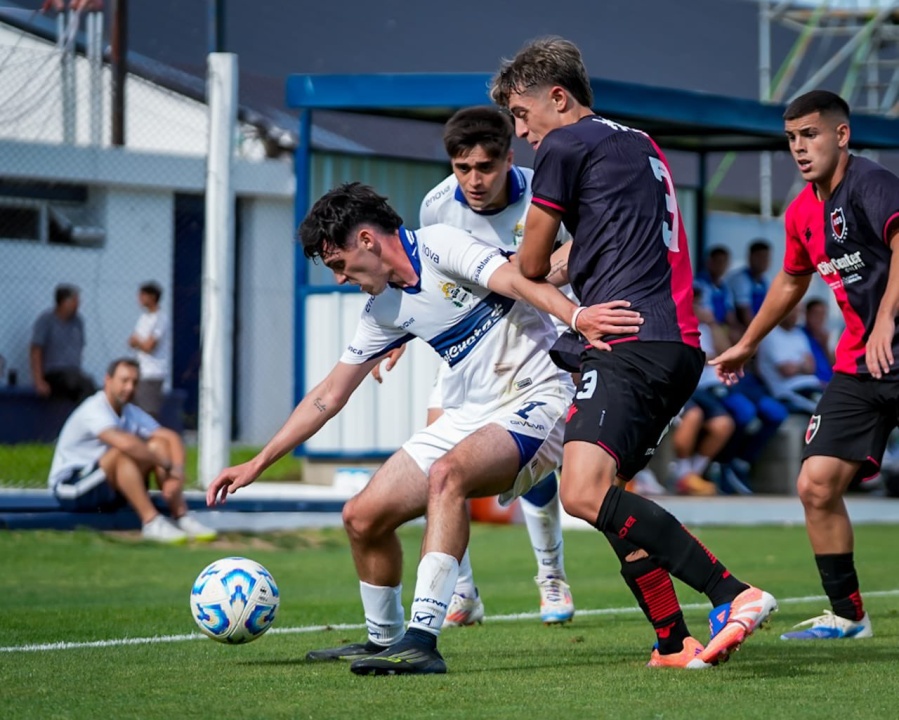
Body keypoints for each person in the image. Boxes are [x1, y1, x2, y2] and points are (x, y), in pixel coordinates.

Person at [207, 182, 642, 675]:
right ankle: (383, 639)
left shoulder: (439, 244)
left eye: (339, 263)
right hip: (471, 412)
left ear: (367, 240)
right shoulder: (383, 310)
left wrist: (576, 316)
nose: (341, 278)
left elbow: (521, 282)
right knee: (361, 516)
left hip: (541, 398)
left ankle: (422, 640)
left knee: (447, 476)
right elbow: (328, 395)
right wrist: (258, 462)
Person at [491, 35, 776, 668]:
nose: (521, 132)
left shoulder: (564, 144)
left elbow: (535, 263)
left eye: (521, 113)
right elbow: (596, 245)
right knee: (615, 495)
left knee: (582, 493)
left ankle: (734, 594)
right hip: (674, 343)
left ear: (557, 98)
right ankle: (673, 642)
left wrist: (513, 273)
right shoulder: (638, 142)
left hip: (627, 342)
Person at [371, 106, 577, 627]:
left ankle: (551, 575)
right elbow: (425, 278)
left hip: (536, 340)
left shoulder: (545, 191)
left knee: (532, 473)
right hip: (466, 346)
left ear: (510, 157)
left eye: (486, 167)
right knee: (439, 462)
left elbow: (586, 244)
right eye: (463, 168)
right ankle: (462, 593)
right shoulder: (438, 205)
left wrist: (537, 275)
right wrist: (400, 337)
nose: (474, 180)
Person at [714, 89, 899, 641]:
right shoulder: (800, 212)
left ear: (841, 135)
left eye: (810, 134)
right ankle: (849, 615)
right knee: (816, 484)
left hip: (888, 343)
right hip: (861, 366)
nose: (799, 147)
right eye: (791, 138)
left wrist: (887, 317)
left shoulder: (871, 183)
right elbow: (793, 279)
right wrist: (748, 343)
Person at [48, 357, 216, 543]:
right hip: (72, 487)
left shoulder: (129, 411)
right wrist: (166, 465)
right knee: (124, 452)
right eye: (124, 380)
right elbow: (125, 444)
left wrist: (176, 473)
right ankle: (151, 522)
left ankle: (181, 515)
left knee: (158, 444)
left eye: (134, 382)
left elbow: (170, 437)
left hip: (104, 486)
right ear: (108, 380)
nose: (129, 387)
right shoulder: (94, 408)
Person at [669, 288, 734, 496]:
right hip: (679, 386)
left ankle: (691, 476)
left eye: (698, 302)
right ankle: (681, 473)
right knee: (693, 415)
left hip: (705, 388)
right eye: (692, 302)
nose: (696, 307)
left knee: (723, 424)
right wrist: (704, 358)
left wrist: (713, 323)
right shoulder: (673, 321)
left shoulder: (706, 326)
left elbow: (726, 353)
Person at [30, 283, 96, 403]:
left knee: (89, 385)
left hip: (74, 372)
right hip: (54, 373)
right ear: (64, 302)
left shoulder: (78, 322)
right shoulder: (46, 321)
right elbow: (36, 351)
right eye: (75, 301)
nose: (78, 305)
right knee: (82, 384)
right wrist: (38, 381)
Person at [756, 305, 825, 414]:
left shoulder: (799, 334)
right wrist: (802, 366)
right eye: (792, 311)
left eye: (798, 312)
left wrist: (797, 367)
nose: (795, 316)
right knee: (829, 410)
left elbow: (811, 368)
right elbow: (787, 370)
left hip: (811, 385)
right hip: (789, 391)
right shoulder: (770, 335)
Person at [128, 281, 170, 419]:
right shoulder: (144, 318)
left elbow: (149, 346)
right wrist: (140, 343)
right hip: (141, 370)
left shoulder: (160, 318)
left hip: (153, 372)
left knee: (148, 410)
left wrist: (139, 343)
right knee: (136, 408)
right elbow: (132, 341)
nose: (139, 299)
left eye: (143, 295)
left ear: (152, 297)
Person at [728, 240, 772, 332]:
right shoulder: (740, 279)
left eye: (766, 257)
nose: (763, 261)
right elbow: (745, 314)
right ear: (750, 257)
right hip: (740, 328)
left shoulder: (765, 281)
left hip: (758, 327)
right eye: (760, 257)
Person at [803, 298, 835, 384]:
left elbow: (834, 365)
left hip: (829, 382)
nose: (819, 318)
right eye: (816, 314)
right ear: (807, 314)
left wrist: (825, 346)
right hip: (813, 383)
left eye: (823, 315)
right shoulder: (799, 335)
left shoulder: (825, 337)